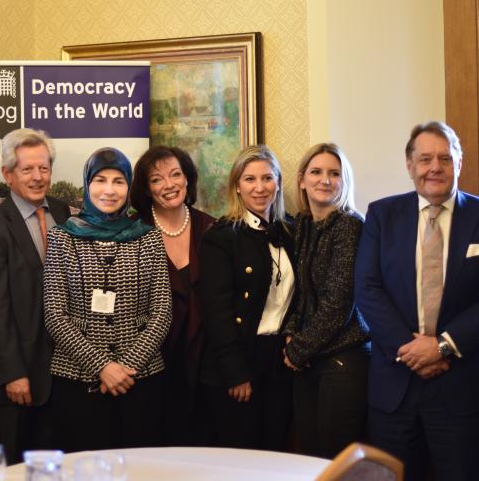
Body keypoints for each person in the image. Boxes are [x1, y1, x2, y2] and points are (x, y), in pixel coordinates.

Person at [354, 121, 479, 481]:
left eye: (444, 158)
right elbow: (368, 289)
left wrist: (442, 347)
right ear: (410, 166)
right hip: (396, 385)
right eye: (425, 159)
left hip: (465, 386)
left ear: (460, 163)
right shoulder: (381, 215)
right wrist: (412, 349)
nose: (435, 167)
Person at [43, 147, 171, 451]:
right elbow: (54, 315)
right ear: (87, 185)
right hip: (77, 379)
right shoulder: (62, 238)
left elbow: (162, 311)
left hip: (139, 379)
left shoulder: (148, 237)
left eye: (118, 181)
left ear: (129, 187)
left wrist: (125, 367)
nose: (109, 190)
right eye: (100, 180)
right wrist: (102, 366)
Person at [0, 129, 70, 463]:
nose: (37, 176)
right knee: (16, 468)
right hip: (18, 380)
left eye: (43, 168)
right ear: (7, 174)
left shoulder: (64, 213)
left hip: (63, 374)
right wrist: (13, 373)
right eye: (27, 169)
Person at [198, 144, 296, 450]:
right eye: (249, 179)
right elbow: (217, 312)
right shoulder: (221, 237)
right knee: (240, 459)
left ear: (278, 182)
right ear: (237, 187)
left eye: (267, 178)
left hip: (280, 362)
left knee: (274, 453)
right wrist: (236, 373)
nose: (259, 187)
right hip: (238, 360)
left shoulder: (291, 231)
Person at [283, 143, 370, 458]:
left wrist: (297, 349)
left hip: (344, 359)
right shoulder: (303, 226)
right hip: (310, 357)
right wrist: (294, 333)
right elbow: (298, 291)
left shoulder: (350, 226)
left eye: (334, 173)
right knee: (309, 457)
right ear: (302, 180)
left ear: (344, 181)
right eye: (316, 172)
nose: (325, 180)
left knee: (336, 460)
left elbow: (339, 303)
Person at [130, 145, 216, 446]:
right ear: (146, 188)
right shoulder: (134, 231)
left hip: (206, 367)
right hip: (152, 366)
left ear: (187, 179)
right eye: (156, 179)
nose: (168, 185)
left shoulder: (211, 229)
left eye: (175, 174)